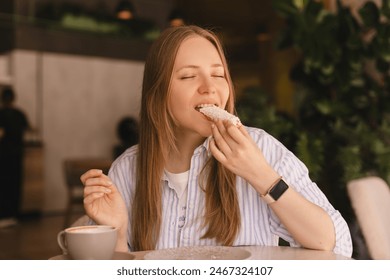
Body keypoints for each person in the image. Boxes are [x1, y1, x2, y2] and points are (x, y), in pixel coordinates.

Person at [81, 25, 353, 257]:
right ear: (157, 93)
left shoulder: (261, 149)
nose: (209, 87)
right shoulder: (127, 170)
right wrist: (115, 233)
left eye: (219, 74)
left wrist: (261, 176)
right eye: (188, 76)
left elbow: (336, 244)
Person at [0, 87, 29, 228]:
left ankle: (4, 216)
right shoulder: (19, 114)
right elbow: (28, 130)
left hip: (3, 155)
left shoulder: (1, 114)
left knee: (4, 185)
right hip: (17, 154)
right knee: (15, 184)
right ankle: (13, 215)